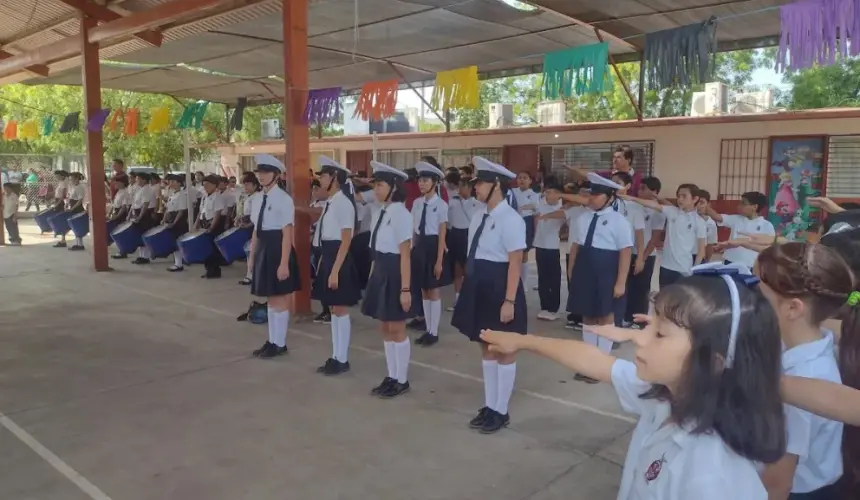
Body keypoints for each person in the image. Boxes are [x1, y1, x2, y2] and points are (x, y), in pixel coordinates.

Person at [482, 262, 787, 499]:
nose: (638, 341)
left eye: (659, 333)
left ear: (713, 360)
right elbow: (596, 362)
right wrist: (524, 341)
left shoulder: (712, 476)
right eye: (647, 325)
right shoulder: (667, 395)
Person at [756, 243, 855, 500]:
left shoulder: (803, 383)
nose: (750, 301)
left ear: (793, 308)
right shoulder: (816, 340)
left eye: (759, 294)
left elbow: (777, 486)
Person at [451, 156, 527, 434]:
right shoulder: (479, 215)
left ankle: (501, 410)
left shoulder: (511, 219)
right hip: (479, 284)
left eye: (481, 183)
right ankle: (490, 404)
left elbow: (515, 263)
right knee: (485, 345)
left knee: (504, 348)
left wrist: (509, 301)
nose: (476, 188)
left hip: (500, 286)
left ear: (497, 185)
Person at [567, 173, 632, 381]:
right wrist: (571, 271)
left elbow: (625, 252)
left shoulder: (619, 221)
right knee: (587, 314)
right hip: (585, 269)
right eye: (590, 194)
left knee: (605, 315)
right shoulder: (583, 218)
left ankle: (602, 363)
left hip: (606, 271)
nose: (591, 198)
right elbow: (575, 246)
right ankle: (588, 361)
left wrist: (621, 281)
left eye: (596, 195)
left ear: (610, 197)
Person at [361, 161, 414, 397]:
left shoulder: (401, 214)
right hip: (381, 269)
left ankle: (401, 379)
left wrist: (405, 289)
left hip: (395, 271)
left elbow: (405, 254)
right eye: (375, 185)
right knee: (384, 325)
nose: (376, 189)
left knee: (397, 326)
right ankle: (391, 374)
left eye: (380, 185)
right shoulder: (380, 211)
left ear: (394, 187)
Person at [247, 155, 301, 359]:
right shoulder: (258, 198)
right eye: (259, 173)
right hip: (263, 248)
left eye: (266, 173)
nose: (261, 177)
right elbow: (255, 231)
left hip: (278, 248)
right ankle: (272, 340)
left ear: (276, 175)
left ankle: (280, 343)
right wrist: (252, 256)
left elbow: (287, 233)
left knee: (279, 299)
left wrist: (284, 263)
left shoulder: (284, 200)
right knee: (270, 299)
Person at [311, 156, 361, 376]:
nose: (320, 179)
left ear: (335, 178)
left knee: (340, 309)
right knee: (333, 309)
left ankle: (342, 358)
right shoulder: (331, 202)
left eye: (323, 176)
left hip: (338, 257)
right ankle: (335, 355)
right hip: (329, 255)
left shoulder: (343, 203)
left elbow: (346, 239)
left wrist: (334, 270)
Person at [623, 184, 706, 288]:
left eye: (684, 196)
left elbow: (701, 251)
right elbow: (652, 204)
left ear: (695, 199)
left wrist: (695, 270)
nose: (680, 199)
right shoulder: (672, 212)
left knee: (681, 302)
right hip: (665, 267)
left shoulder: (699, 222)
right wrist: (631, 198)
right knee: (663, 299)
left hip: (685, 269)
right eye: (678, 196)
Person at [411, 160, 452, 347]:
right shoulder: (417, 203)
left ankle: (433, 332)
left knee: (433, 290)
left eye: (425, 180)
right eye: (420, 180)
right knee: (423, 290)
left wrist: (439, 261)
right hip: (419, 247)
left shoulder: (441, 205)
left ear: (435, 182)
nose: (421, 184)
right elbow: (414, 230)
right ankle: (427, 329)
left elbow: (442, 232)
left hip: (434, 246)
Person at [610, 171, 646, 328]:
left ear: (628, 186)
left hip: (625, 254)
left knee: (620, 289)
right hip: (607, 253)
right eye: (611, 182)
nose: (613, 186)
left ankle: (616, 325)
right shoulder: (606, 204)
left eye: (617, 182)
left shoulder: (634, 207)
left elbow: (639, 234)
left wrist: (640, 257)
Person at [705, 191, 773, 269]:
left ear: (754, 207)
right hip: (730, 261)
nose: (739, 206)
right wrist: (706, 207)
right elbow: (717, 217)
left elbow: (770, 247)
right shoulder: (736, 219)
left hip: (751, 265)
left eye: (743, 203)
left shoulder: (766, 225)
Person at [446, 173, 482, 312]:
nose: (459, 189)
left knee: (470, 269)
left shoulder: (477, 204)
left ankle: (471, 299)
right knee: (457, 269)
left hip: (469, 236)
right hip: (455, 235)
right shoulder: (452, 202)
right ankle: (458, 297)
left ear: (469, 187)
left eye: (462, 186)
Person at [532, 177, 565, 320]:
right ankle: (544, 307)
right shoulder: (540, 203)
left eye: (553, 192)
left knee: (554, 278)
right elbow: (534, 218)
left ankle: (554, 308)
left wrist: (562, 234)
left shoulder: (563, 207)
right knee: (542, 278)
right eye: (547, 192)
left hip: (553, 247)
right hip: (540, 245)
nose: (549, 195)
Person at [195, 174, 227, 278]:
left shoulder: (217, 196)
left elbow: (217, 214)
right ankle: (208, 269)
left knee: (213, 249)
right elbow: (200, 212)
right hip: (204, 224)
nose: (205, 187)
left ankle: (214, 270)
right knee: (205, 248)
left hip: (214, 224)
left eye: (208, 185)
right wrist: (196, 224)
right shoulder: (204, 197)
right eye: (204, 185)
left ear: (214, 185)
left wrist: (212, 227)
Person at [513, 171, 540, 286]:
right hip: (513, 223)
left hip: (526, 223)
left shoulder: (534, 195)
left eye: (525, 178)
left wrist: (536, 232)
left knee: (524, 254)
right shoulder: (512, 192)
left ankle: (523, 283)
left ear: (530, 181)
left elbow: (537, 213)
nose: (522, 180)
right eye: (520, 177)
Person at [237, 172, 261, 285]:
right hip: (246, 224)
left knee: (252, 251)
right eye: (244, 184)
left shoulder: (258, 197)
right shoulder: (246, 196)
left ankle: (251, 275)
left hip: (254, 227)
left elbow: (257, 216)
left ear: (255, 185)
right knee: (249, 251)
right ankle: (249, 274)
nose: (245, 187)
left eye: (248, 184)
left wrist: (248, 225)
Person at [163, 174, 191, 272]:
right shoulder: (173, 194)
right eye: (170, 182)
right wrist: (164, 219)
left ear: (179, 183)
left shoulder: (182, 194)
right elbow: (168, 209)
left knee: (178, 241)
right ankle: (177, 262)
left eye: (173, 182)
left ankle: (179, 264)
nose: (171, 183)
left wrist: (175, 222)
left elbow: (181, 211)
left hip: (178, 220)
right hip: (171, 218)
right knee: (173, 241)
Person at [127, 172, 156, 264]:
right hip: (137, 212)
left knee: (144, 234)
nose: (136, 180)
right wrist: (130, 214)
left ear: (144, 180)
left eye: (138, 179)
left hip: (145, 214)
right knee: (139, 235)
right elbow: (134, 203)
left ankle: (146, 256)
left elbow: (145, 204)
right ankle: (141, 255)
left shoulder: (147, 189)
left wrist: (140, 216)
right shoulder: (140, 189)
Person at [63, 172, 88, 251]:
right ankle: (78, 243)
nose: (71, 180)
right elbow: (69, 197)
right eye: (70, 179)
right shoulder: (73, 187)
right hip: (72, 206)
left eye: (72, 179)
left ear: (77, 179)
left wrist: (72, 208)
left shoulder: (80, 187)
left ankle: (80, 244)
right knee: (74, 226)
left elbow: (80, 200)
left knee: (77, 226)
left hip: (77, 208)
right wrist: (66, 204)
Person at [695, 189, 719, 262]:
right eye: (696, 203)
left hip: (699, 257)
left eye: (701, 202)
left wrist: (706, 261)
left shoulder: (711, 223)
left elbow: (710, 245)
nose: (698, 206)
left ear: (708, 204)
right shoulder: (686, 219)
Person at [50, 170, 69, 247]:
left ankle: (63, 239)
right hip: (58, 201)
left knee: (61, 220)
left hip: (61, 203)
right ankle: (61, 237)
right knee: (58, 219)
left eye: (57, 176)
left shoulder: (65, 183)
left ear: (62, 176)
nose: (56, 177)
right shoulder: (61, 182)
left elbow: (63, 195)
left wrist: (57, 204)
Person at [3, 181, 21, 246]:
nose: (5, 189)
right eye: (4, 188)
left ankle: (17, 240)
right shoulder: (3, 196)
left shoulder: (14, 195)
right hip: (5, 214)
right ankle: (12, 240)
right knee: (8, 228)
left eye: (6, 188)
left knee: (14, 228)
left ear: (10, 188)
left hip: (12, 214)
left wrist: (15, 215)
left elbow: (17, 206)